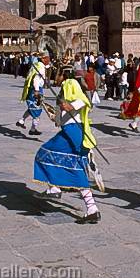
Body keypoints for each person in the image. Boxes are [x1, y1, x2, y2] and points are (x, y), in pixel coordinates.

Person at [34, 67, 101, 224]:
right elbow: (57, 120)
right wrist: (44, 104)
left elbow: (76, 104)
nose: (56, 78)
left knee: (44, 154)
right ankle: (92, 208)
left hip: (73, 134)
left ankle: (54, 188)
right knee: (72, 167)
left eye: (58, 75)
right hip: (69, 133)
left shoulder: (74, 92)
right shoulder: (63, 97)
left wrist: (67, 104)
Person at [16, 52, 50, 135]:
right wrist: (37, 90)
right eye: (47, 58)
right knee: (37, 109)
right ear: (43, 59)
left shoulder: (37, 65)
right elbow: (36, 79)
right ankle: (33, 129)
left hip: (34, 88)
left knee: (32, 107)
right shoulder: (40, 67)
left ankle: (21, 121)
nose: (49, 60)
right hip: (36, 89)